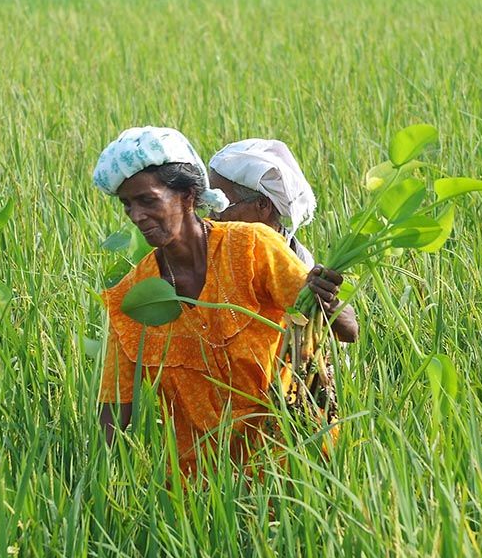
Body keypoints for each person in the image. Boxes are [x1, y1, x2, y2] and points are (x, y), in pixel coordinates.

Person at [94, 126, 348, 473]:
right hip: (198, 486)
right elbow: (114, 408)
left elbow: (347, 329)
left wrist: (327, 299)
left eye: (148, 200)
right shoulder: (134, 297)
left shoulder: (252, 247)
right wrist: (95, 486)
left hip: (291, 464)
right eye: (127, 204)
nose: (136, 216)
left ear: (187, 196)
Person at [207, 138, 357, 342]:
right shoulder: (214, 244)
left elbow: (349, 331)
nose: (213, 216)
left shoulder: (294, 259)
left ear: (262, 205)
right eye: (211, 204)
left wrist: (328, 302)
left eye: (222, 205)